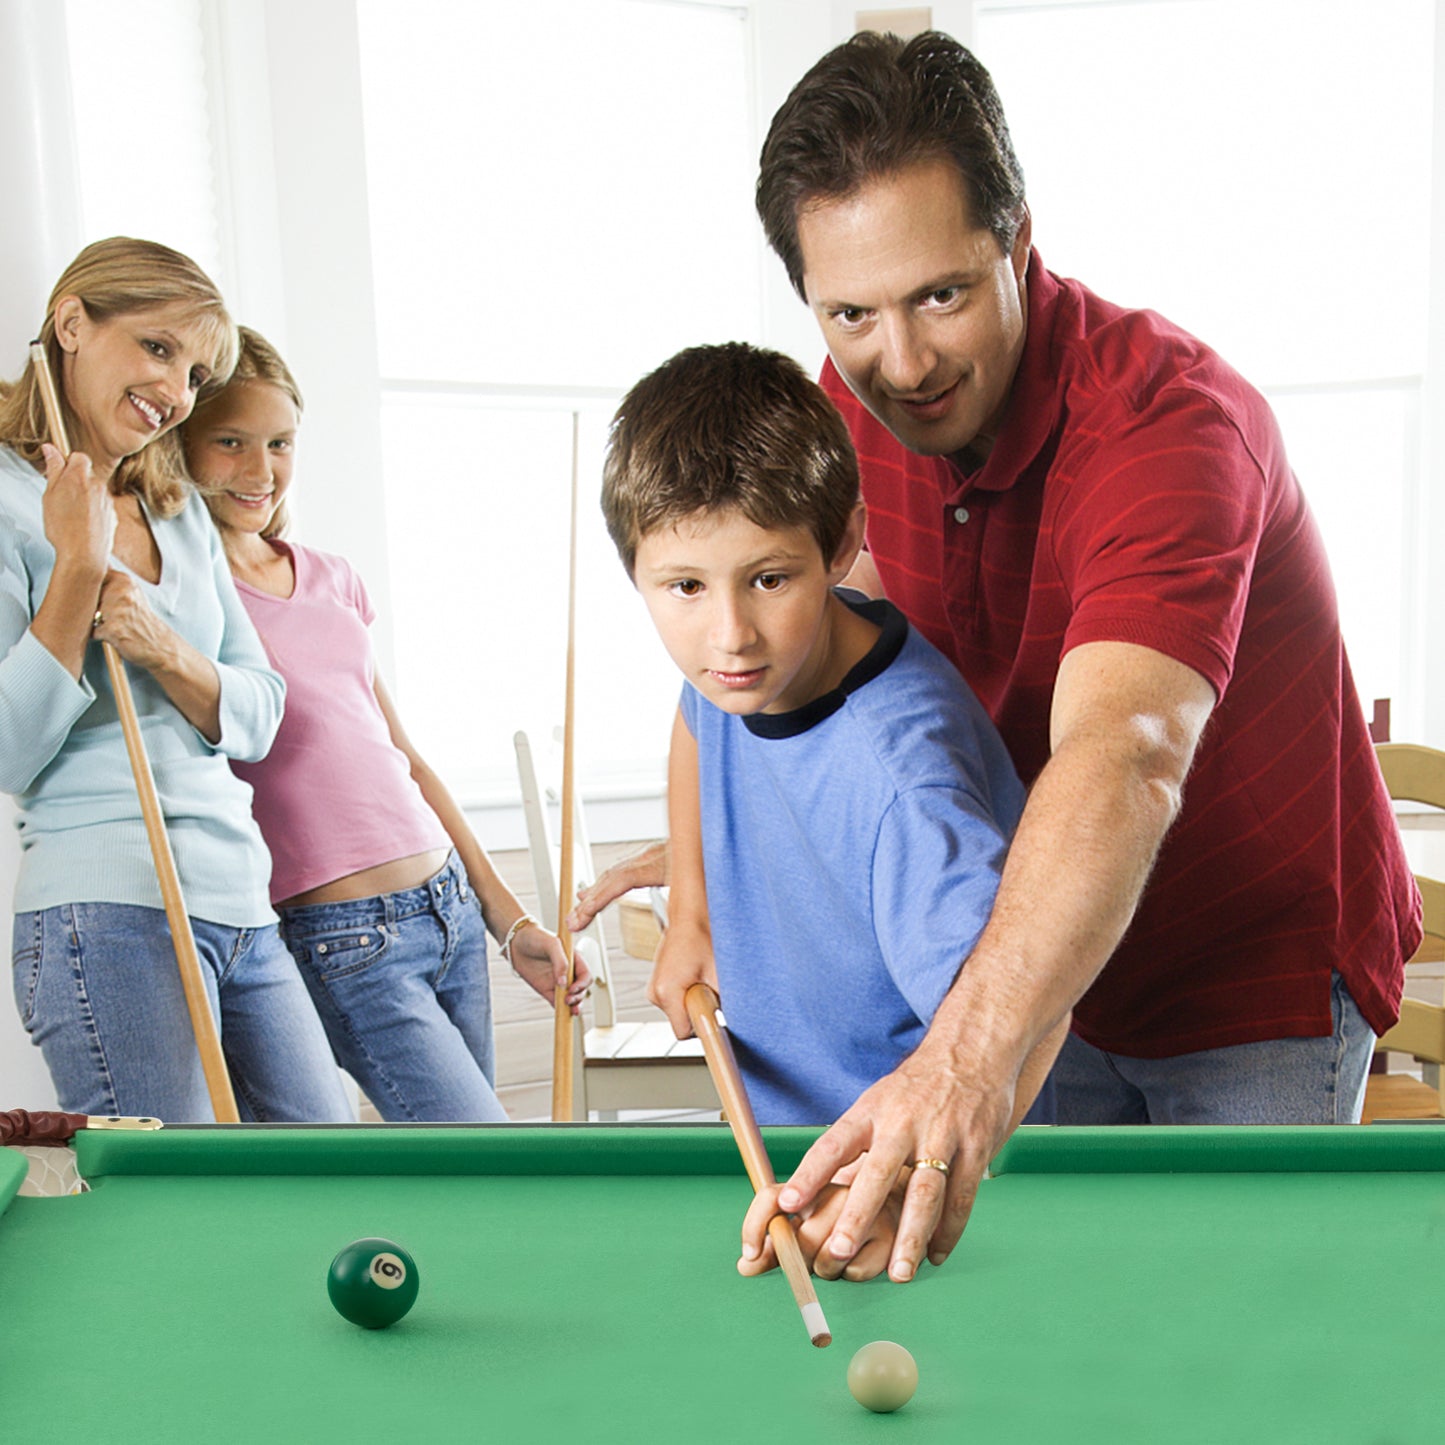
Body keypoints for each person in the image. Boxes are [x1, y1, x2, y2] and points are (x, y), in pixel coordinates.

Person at [582, 30, 1423, 1283]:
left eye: (940, 294)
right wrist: (703, 885)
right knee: (1057, 1303)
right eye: (850, 312)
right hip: (1017, 945)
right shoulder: (850, 403)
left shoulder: (1170, 428)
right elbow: (768, 655)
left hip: (1241, 967)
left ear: (1016, 236)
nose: (902, 363)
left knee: (1225, 1315)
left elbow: (1125, 749)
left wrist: (961, 1060)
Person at [600, 341, 1065, 1277]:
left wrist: (895, 1189)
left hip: (906, 1191)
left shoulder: (902, 789)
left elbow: (1002, 1036)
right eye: (685, 586)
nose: (727, 633)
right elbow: (697, 721)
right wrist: (691, 910)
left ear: (845, 543)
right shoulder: (739, 671)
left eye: (768, 579)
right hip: (795, 1152)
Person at [180, 328, 588, 1122]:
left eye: (279, 442)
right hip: (341, 937)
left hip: (448, 910)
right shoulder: (190, 598)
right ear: (180, 445)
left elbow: (404, 759)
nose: (259, 470)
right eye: (229, 442)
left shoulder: (331, 577)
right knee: (485, 1159)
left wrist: (509, 921)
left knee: (465, 1178)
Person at [0, 237, 352, 1123]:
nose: (176, 391)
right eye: (158, 348)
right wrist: (76, 569)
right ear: (72, 323)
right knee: (174, 1215)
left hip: (239, 899)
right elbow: (8, 750)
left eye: (195, 372)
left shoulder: (176, 506)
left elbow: (260, 710)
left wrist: (162, 647)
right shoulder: (6, 500)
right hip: (104, 908)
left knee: (328, 1173)